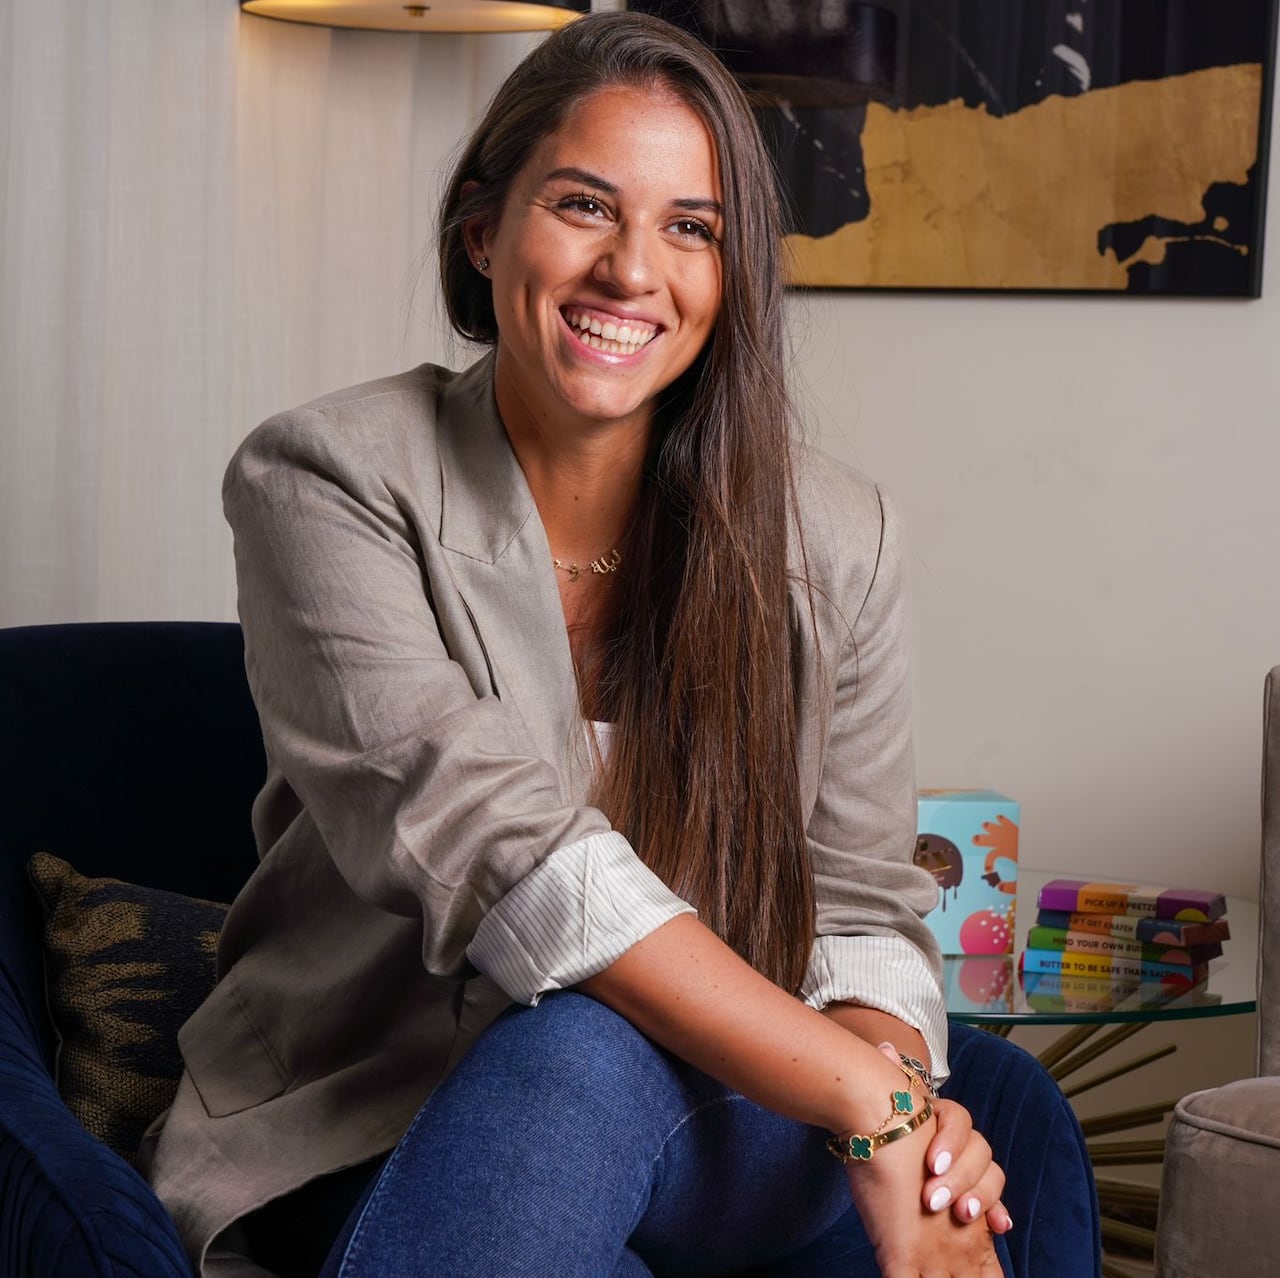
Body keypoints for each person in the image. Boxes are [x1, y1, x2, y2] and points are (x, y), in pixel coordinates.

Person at [143, 12, 1098, 1278]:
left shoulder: (837, 533)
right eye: (585, 206)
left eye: (688, 228)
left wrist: (897, 1105)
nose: (630, 271)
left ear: (730, 271)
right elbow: (509, 858)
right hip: (385, 1105)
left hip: (721, 1105)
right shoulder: (326, 476)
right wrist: (874, 1104)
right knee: (579, 1050)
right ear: (482, 231)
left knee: (1006, 1108)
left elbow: (858, 899)